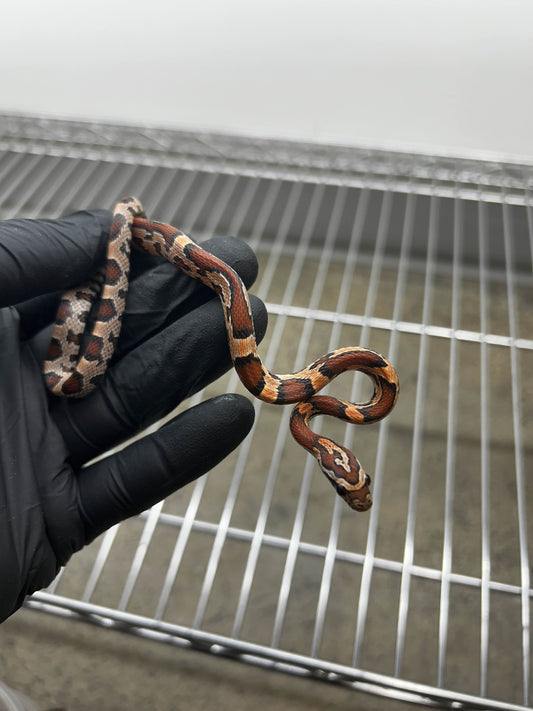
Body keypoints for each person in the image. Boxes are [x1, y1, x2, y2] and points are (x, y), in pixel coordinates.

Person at [0, 205, 267, 623]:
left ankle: (111, 248)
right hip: (61, 374)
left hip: (61, 370)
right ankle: (114, 240)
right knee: (71, 362)